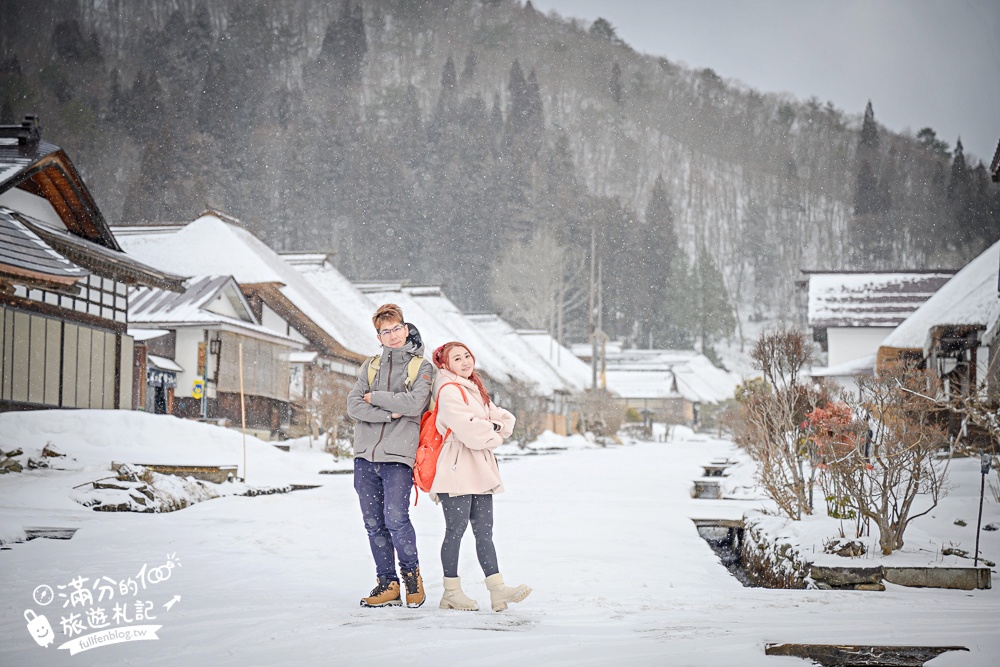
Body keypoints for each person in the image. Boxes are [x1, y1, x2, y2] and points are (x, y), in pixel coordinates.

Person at [430, 341, 532, 612]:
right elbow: (470, 431)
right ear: (445, 365)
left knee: (485, 532)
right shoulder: (449, 390)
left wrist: (491, 427)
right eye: (457, 359)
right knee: (456, 530)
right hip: (456, 468)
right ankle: (451, 592)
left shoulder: (475, 389)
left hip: (480, 469)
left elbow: (505, 419)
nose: (465, 362)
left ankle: (497, 591)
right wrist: (493, 431)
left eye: (467, 356)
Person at [347, 304, 433, 608]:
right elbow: (353, 405)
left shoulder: (421, 367)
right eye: (386, 331)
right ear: (379, 336)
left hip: (398, 456)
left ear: (405, 328)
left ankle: (411, 575)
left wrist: (377, 399)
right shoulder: (370, 366)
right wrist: (390, 412)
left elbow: (414, 403)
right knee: (373, 523)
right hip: (364, 457)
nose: (393, 335)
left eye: (397, 328)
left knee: (396, 518)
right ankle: (387, 583)